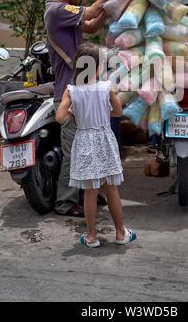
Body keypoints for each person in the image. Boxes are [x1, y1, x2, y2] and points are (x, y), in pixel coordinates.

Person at [55, 42, 137, 247]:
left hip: (83, 141)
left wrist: (74, 112)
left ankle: (91, 237)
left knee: (90, 192)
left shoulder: (71, 91)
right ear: (98, 67)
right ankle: (120, 233)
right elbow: (118, 112)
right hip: (104, 140)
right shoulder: (106, 88)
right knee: (111, 189)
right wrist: (101, 113)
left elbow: (59, 117)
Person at [44, 0, 108, 217]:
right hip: (69, 95)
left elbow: (91, 25)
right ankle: (65, 202)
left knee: (88, 147)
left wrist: (109, 9)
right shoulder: (57, 10)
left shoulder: (67, 15)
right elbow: (91, 11)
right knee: (73, 151)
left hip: (83, 91)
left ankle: (85, 193)